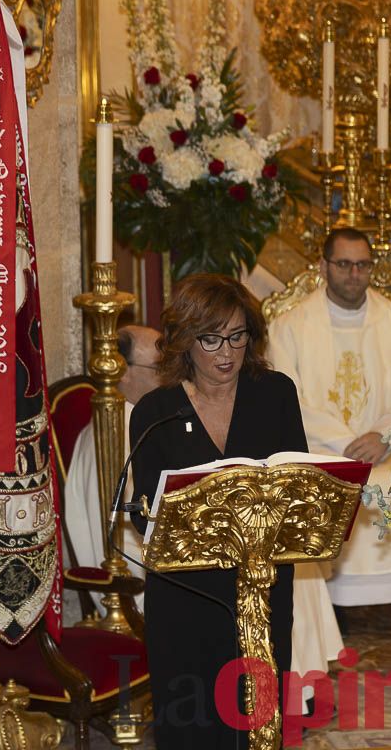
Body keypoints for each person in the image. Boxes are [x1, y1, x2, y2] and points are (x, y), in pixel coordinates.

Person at [130, 274, 307, 750]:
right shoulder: (155, 411)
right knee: (193, 725)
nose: (225, 352)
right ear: (185, 341)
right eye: (210, 339)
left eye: (236, 336)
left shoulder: (275, 394)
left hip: (262, 591)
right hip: (186, 598)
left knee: (259, 724)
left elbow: (298, 487)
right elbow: (145, 515)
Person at [267, 227, 391, 637]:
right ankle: (331, 600)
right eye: (344, 264)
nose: (354, 274)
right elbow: (284, 398)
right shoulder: (289, 327)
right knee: (325, 481)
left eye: (363, 265)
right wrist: (343, 444)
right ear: (324, 266)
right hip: (320, 449)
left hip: (388, 449)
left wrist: (384, 435)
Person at [63, 325, 161, 608]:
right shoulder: (111, 437)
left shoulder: (145, 425)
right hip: (135, 586)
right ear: (122, 370)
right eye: (160, 367)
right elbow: (112, 536)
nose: (171, 376)